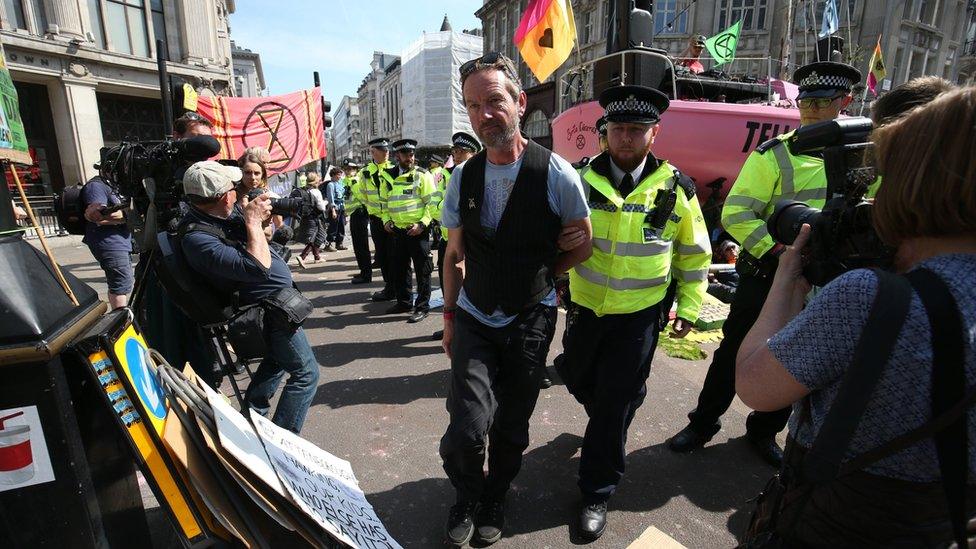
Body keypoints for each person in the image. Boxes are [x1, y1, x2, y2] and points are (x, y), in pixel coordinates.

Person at [735, 85, 976, 547]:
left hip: (838, 521)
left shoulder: (871, 298)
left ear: (914, 180)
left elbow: (753, 385)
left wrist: (787, 280)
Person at [668, 61, 863, 467]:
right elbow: (736, 215)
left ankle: (764, 431)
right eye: (805, 101)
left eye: (822, 102)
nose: (810, 111)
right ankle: (703, 423)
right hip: (769, 274)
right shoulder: (774, 155)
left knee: (800, 358)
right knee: (733, 351)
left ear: (845, 102)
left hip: (830, 280)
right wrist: (780, 253)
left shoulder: (862, 159)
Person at [438, 52, 592, 546]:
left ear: (520, 103)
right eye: (473, 105)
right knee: (466, 427)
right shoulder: (463, 177)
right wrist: (448, 316)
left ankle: (495, 495)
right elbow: (454, 254)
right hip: (475, 315)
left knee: (511, 424)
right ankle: (467, 492)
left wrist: (545, 274)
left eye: (494, 101)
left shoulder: (556, 173)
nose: (484, 114)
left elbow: (583, 242)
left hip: (530, 317)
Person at [558, 85, 711, 540]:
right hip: (585, 309)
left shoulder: (676, 187)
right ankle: (624, 400)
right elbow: (551, 232)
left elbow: (694, 252)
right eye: (618, 129)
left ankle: (596, 490)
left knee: (611, 405)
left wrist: (690, 304)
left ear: (654, 134)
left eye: (637, 130)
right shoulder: (578, 179)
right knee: (578, 377)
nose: (627, 138)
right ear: (604, 133)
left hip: (640, 315)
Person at [179, 161, 321, 433]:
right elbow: (256, 266)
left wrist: (262, 222)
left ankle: (251, 416)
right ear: (223, 196)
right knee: (306, 375)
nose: (238, 191)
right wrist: (253, 220)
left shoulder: (218, 215)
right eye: (234, 188)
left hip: (275, 302)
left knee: (278, 361)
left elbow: (260, 242)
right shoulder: (197, 238)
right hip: (266, 311)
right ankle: (283, 443)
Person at [431, 131, 482, 341]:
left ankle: (470, 329)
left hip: (470, 244)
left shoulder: (479, 174)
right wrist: (449, 209)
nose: (457, 155)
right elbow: (435, 208)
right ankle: (451, 324)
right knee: (448, 287)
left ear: (474, 154)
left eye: (463, 151)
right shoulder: (444, 175)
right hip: (448, 241)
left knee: (472, 288)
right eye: (455, 151)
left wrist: (451, 209)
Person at [380, 139, 437, 323]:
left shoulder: (423, 175)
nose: (410, 158)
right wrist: (386, 220)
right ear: (397, 156)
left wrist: (422, 224)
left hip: (417, 231)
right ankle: (404, 302)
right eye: (405, 154)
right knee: (399, 269)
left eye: (412, 154)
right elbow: (384, 204)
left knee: (423, 271)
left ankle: (422, 307)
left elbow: (432, 203)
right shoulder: (387, 176)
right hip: (397, 232)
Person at [81, 166, 133, 310]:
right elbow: (98, 215)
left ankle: (121, 315)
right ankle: (121, 320)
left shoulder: (114, 186)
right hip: (110, 243)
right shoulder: (96, 186)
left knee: (124, 282)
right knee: (120, 285)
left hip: (121, 241)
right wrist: (127, 216)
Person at [360, 138, 400, 301]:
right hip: (376, 219)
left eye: (387, 150)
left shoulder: (394, 169)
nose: (386, 153)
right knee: (382, 255)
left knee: (396, 255)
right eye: (382, 150)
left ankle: (398, 286)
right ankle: (389, 287)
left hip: (393, 219)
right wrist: (372, 210)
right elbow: (363, 194)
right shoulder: (365, 172)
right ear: (373, 152)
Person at [344, 159, 373, 284]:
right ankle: (363, 271)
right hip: (355, 214)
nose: (347, 171)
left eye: (350, 169)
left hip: (359, 213)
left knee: (361, 245)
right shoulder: (349, 181)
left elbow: (363, 198)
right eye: (346, 169)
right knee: (358, 245)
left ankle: (366, 274)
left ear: (356, 170)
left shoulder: (355, 181)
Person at [296, 173, 328, 263]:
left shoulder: (304, 190)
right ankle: (302, 256)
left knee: (316, 236)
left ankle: (317, 257)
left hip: (305, 217)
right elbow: (321, 207)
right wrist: (326, 202)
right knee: (318, 237)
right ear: (316, 181)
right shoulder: (316, 192)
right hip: (315, 217)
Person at [324, 167, 347, 252]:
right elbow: (331, 199)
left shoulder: (340, 183)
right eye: (338, 174)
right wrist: (333, 210)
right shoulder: (330, 185)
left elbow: (343, 197)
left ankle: (339, 243)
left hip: (341, 208)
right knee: (333, 227)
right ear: (333, 175)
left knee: (341, 226)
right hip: (335, 209)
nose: (340, 176)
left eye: (340, 174)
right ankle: (328, 244)